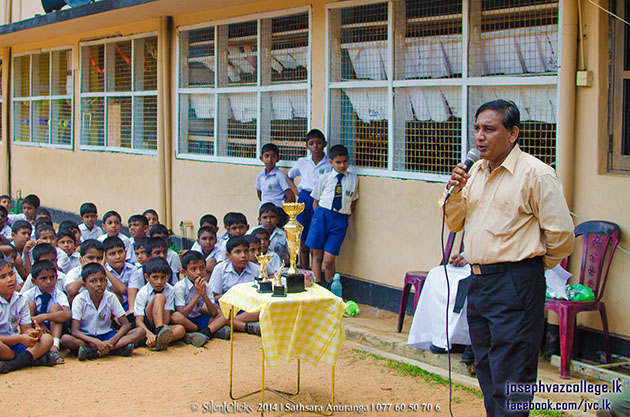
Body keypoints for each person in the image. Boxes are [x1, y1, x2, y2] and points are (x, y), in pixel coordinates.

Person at [442, 100, 574, 416]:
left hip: (517, 281)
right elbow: (454, 223)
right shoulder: (472, 172)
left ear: (512, 133)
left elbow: (562, 237)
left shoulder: (536, 174)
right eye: (477, 129)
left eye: (489, 129)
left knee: (512, 373)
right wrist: (456, 190)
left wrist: (530, 267)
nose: (479, 137)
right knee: (486, 367)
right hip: (479, 282)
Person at [61, 263, 144, 360]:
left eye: (102, 280)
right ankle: (113, 349)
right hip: (87, 337)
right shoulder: (79, 300)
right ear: (85, 285)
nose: (99, 284)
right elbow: (75, 331)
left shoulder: (111, 297)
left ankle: (94, 351)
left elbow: (125, 325)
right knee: (65, 339)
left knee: (140, 332)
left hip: (107, 335)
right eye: (93, 281)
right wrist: (96, 342)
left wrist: (111, 342)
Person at [305, 144, 359, 286]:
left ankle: (330, 289)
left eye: (345, 161)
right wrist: (319, 217)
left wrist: (344, 217)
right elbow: (315, 201)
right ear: (331, 162)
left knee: (329, 259)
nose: (342, 165)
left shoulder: (353, 179)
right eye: (338, 162)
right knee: (316, 255)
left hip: (340, 220)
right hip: (322, 216)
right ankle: (317, 287)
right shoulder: (325, 178)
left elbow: (353, 200)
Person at [407, 253, 473, 362]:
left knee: (465, 285)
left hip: (491, 268)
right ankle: (441, 339)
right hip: (470, 265)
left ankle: (465, 341)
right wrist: (464, 257)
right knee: (436, 274)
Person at [0, 258, 57, 373]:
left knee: (47, 339)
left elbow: (26, 329)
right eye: (3, 277)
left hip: (16, 344)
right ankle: (29, 360)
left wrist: (34, 333)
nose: (10, 279)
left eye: (11, 274)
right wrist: (19, 338)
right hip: (3, 345)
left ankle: (12, 364)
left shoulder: (20, 299)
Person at [287, 128, 331, 268]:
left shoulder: (329, 164)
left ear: (324, 144)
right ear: (307, 146)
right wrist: (296, 191)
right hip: (305, 199)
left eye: (318, 143)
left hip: (320, 200)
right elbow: (289, 176)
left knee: (315, 240)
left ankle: (315, 274)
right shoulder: (302, 162)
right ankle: (304, 272)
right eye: (311, 143)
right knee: (304, 239)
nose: (315, 147)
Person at [172, 251, 230, 347]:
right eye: (193, 269)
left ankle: (204, 332)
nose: (199, 272)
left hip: (199, 317)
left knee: (226, 314)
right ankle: (201, 331)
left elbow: (213, 313)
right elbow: (182, 314)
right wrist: (197, 295)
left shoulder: (205, 285)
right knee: (176, 317)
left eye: (202, 268)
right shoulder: (180, 287)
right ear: (184, 272)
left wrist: (204, 295)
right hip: (186, 320)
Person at [209, 236, 261, 335]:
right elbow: (214, 296)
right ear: (228, 255)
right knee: (215, 311)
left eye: (246, 251)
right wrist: (234, 297)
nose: (243, 256)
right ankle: (246, 327)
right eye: (237, 252)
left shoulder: (256, 269)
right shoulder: (220, 269)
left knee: (261, 311)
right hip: (227, 307)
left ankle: (225, 324)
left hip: (247, 308)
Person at [23, 260, 71, 363]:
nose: (49, 281)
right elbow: (23, 317)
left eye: (52, 277)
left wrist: (45, 317)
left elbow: (67, 314)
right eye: (43, 278)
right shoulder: (28, 295)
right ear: (34, 281)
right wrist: (39, 324)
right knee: (30, 304)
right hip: (37, 330)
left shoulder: (59, 294)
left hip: (56, 330)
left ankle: (55, 347)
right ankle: (32, 345)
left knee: (55, 308)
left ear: (56, 278)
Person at [134, 257, 185, 351]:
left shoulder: (170, 290)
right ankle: (157, 334)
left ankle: (157, 339)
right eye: (155, 277)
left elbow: (166, 318)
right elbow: (139, 321)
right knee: (159, 297)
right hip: (147, 325)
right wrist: (148, 333)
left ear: (168, 277)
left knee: (180, 330)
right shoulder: (142, 292)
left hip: (162, 324)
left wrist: (164, 327)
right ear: (147, 277)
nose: (159, 282)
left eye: (163, 277)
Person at [255, 143, 295, 227]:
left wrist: (285, 214)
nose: (270, 159)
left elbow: (290, 197)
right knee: (262, 235)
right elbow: (260, 193)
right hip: (264, 210)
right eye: (266, 156)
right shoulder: (260, 176)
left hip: (277, 210)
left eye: (273, 156)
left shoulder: (280, 176)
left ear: (278, 158)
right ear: (261, 158)